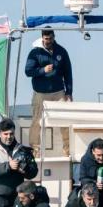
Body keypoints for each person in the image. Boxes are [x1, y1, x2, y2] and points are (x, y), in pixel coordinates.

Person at [25, 27, 72, 157]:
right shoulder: (35, 53)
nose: (48, 41)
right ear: (42, 38)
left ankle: (67, 148)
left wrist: (69, 91)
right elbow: (28, 71)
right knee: (36, 121)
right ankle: (35, 150)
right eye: (46, 39)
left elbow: (68, 72)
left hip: (58, 92)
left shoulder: (61, 51)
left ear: (54, 37)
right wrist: (42, 70)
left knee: (64, 120)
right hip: (40, 93)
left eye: (50, 38)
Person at [0, 118, 37, 207]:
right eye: (5, 134)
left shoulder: (23, 150)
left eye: (11, 134)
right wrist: (8, 166)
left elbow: (33, 171)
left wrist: (25, 170)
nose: (9, 137)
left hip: (17, 196)